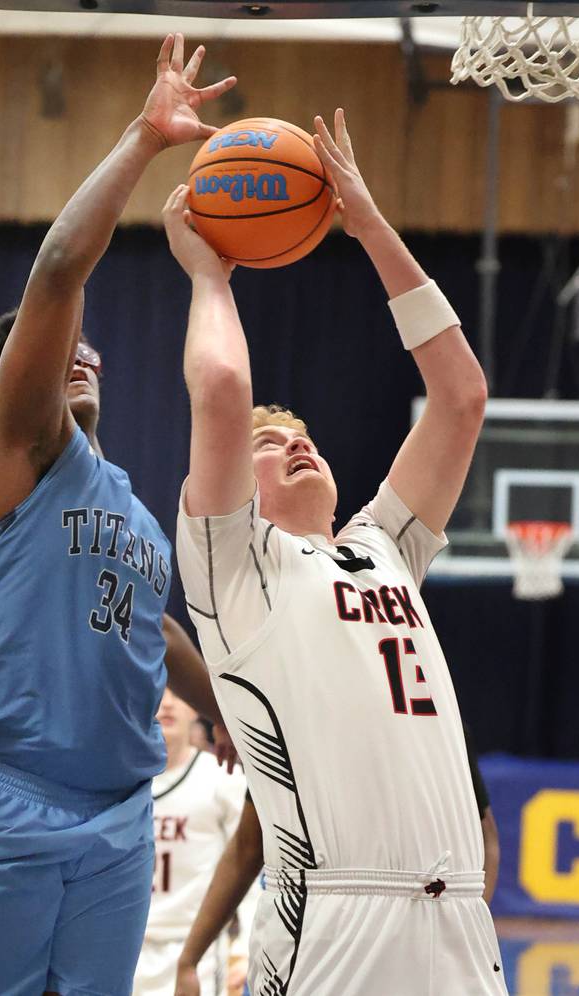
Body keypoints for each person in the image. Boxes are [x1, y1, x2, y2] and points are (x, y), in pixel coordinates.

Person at [0, 35, 237, 996]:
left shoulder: (130, 506)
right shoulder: (16, 459)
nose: (78, 354)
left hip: (118, 820)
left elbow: (154, 623)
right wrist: (143, 137)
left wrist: (229, 709)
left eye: (85, 350)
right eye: (57, 356)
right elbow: (57, 271)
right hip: (4, 803)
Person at [165, 107, 508, 994]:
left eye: (304, 435)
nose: (297, 443)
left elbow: (462, 394)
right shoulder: (235, 571)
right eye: (270, 445)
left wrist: (366, 222)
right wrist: (210, 275)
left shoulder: (385, 547)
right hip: (333, 921)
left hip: (459, 916)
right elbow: (225, 386)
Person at [174, 724, 501, 996]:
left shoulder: (434, 719)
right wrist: (189, 959)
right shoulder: (293, 719)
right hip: (320, 935)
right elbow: (248, 847)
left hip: (375, 935)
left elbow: (486, 838)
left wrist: (467, 926)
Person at [134, 687, 256, 996]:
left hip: (194, 948)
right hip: (124, 945)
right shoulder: (118, 781)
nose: (169, 703)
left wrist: (245, 950)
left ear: (197, 707)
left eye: (180, 692)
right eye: (159, 690)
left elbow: (249, 863)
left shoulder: (222, 778)